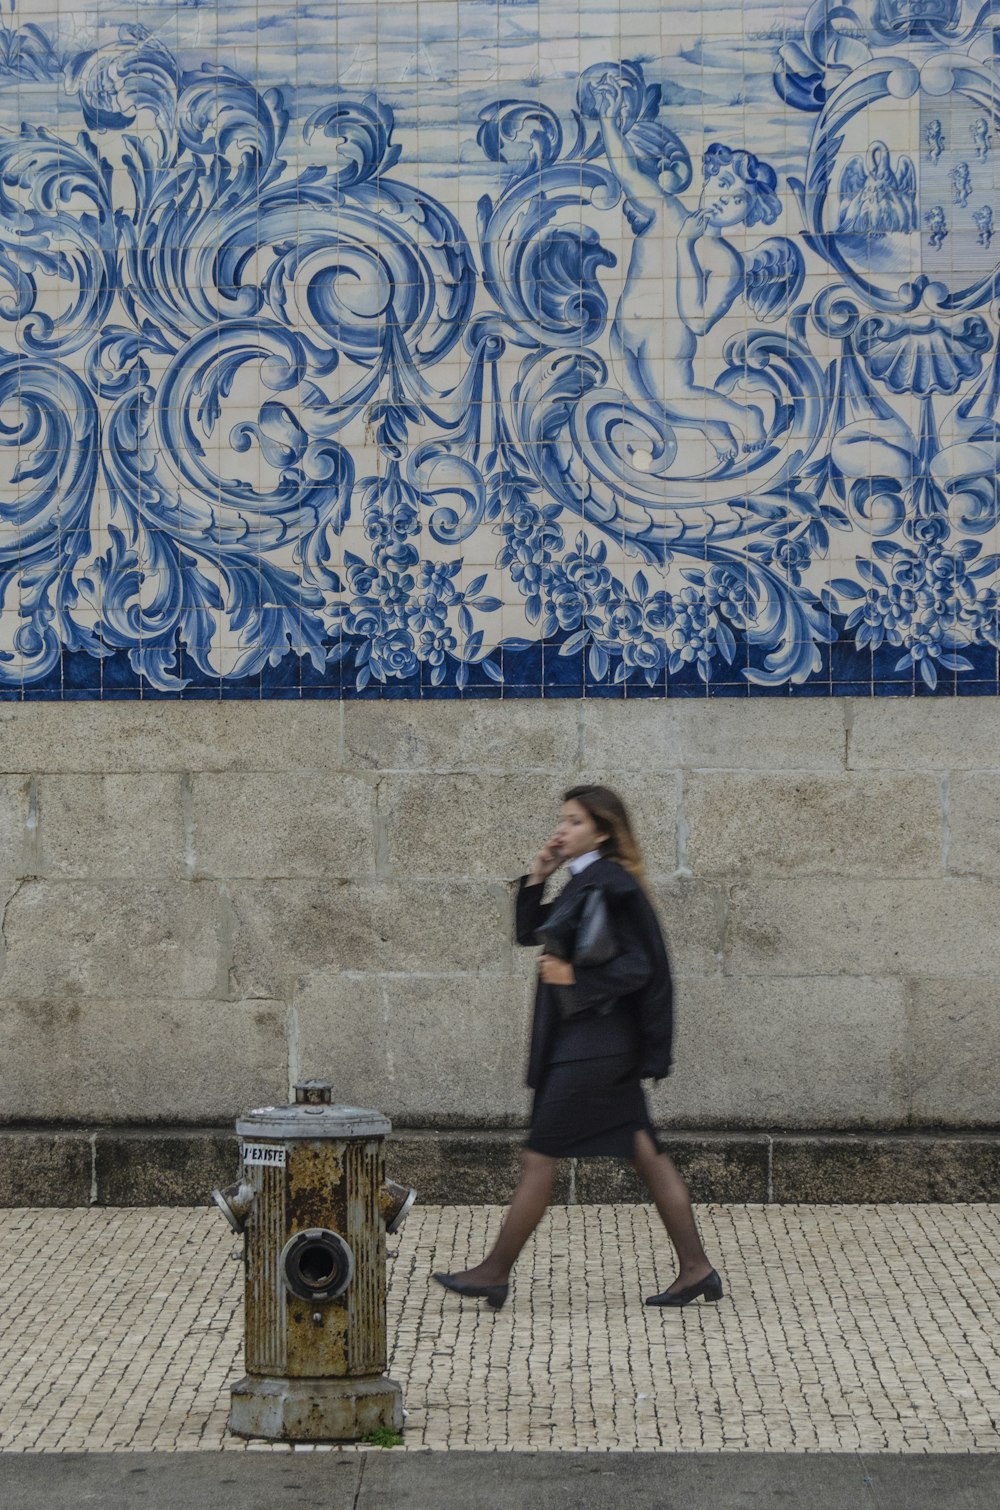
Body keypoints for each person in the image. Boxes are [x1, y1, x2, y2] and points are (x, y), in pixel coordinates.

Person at [432, 785, 723, 1311]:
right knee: (648, 1156)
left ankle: (494, 1273)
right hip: (590, 1044)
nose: (561, 830)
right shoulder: (585, 880)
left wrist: (573, 978)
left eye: (573, 822)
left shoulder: (610, 884)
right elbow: (534, 935)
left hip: (594, 1049)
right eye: (561, 820)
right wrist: (537, 878)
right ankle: (697, 1268)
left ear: (603, 831)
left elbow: (641, 967)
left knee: (538, 1155)